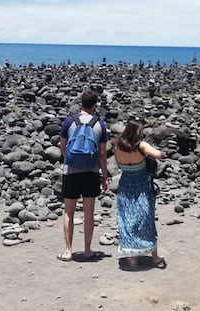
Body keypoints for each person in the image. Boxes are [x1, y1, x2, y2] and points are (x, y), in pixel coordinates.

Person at [58, 89, 108, 262]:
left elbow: (63, 148)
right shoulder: (99, 124)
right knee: (89, 212)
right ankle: (87, 250)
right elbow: (102, 153)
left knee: (69, 211)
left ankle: (68, 251)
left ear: (81, 103)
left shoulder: (69, 122)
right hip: (91, 172)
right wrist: (105, 176)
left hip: (71, 171)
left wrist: (70, 160)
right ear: (94, 105)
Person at [113, 121, 167, 269]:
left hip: (125, 185)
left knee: (128, 220)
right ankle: (155, 258)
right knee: (146, 220)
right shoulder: (141, 146)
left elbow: (118, 164)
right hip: (141, 185)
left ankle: (133, 258)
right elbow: (158, 154)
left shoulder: (117, 145)